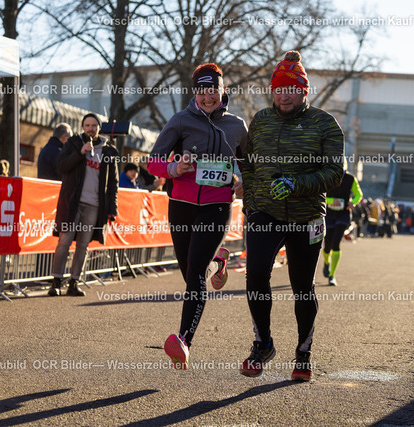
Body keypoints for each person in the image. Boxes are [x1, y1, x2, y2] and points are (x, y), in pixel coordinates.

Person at [240, 51, 344, 381]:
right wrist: (251, 203)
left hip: (307, 216)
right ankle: (263, 343)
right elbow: (247, 164)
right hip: (265, 212)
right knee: (256, 274)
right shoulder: (260, 120)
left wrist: (296, 185)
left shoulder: (325, 124)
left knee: (303, 287)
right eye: (279, 90)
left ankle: (303, 352)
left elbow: (334, 173)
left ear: (304, 91)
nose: (284, 96)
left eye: (292, 90)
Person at [147, 63, 247, 369]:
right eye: (202, 91)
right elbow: (153, 161)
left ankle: (184, 341)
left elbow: (251, 164)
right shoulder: (181, 120)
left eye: (213, 90)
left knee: (194, 276)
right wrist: (173, 168)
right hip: (181, 205)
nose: (208, 97)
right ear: (196, 93)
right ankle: (218, 263)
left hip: (217, 206)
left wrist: (245, 181)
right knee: (190, 270)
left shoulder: (237, 126)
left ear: (222, 91)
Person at [48, 113, 119, 297]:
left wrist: (112, 208)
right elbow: (61, 166)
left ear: (99, 128)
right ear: (82, 127)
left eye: (94, 125)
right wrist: (80, 153)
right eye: (87, 125)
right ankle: (56, 282)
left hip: (93, 205)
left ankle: (74, 282)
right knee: (64, 241)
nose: (90, 129)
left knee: (83, 245)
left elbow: (113, 182)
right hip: (72, 203)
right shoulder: (73, 143)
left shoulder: (108, 151)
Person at [322, 169, 363, 286]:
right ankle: (326, 262)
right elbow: (319, 194)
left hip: (343, 215)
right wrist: (330, 201)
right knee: (327, 245)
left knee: (336, 243)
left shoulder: (351, 178)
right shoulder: (327, 175)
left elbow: (359, 194)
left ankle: (332, 275)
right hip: (329, 214)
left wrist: (353, 202)